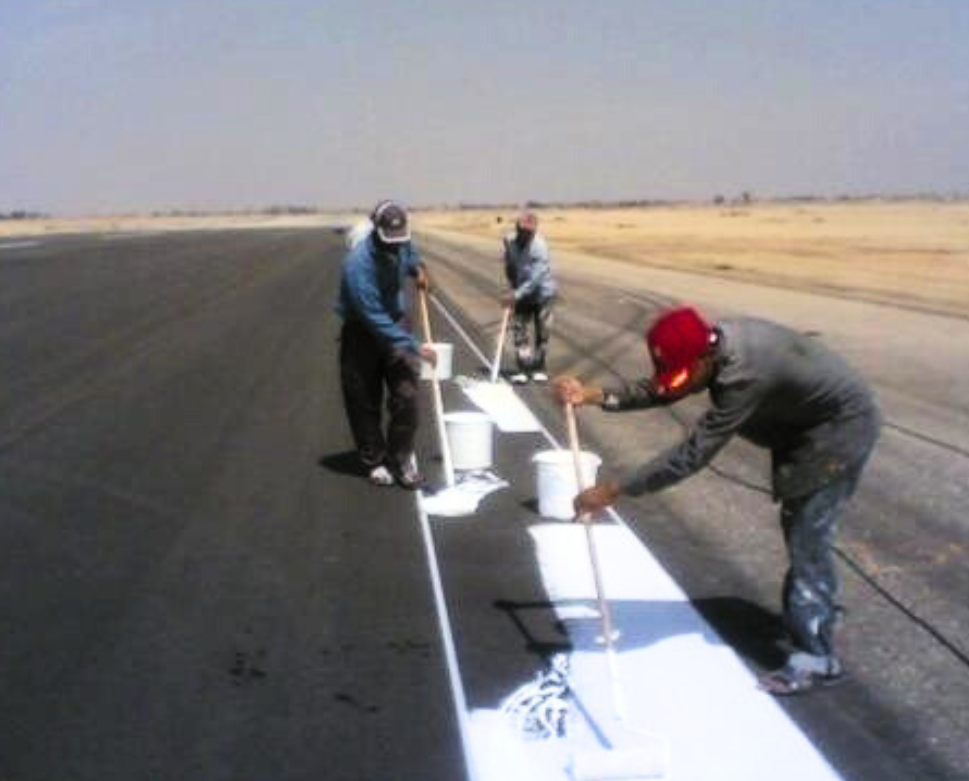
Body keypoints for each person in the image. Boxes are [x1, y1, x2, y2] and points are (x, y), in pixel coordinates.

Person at [553, 307, 881, 695]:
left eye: (683, 373)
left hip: (839, 432)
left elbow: (692, 456)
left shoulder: (745, 375)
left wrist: (614, 490)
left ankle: (818, 659)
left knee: (807, 535)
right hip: (803, 427)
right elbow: (665, 387)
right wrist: (597, 395)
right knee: (802, 529)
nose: (678, 384)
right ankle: (815, 611)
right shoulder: (710, 347)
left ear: (705, 358)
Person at [336, 200, 435, 489]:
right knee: (363, 399)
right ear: (376, 231)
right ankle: (375, 461)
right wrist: (414, 346)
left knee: (408, 396)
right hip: (363, 329)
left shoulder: (402, 242)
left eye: (399, 240)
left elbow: (412, 256)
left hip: (396, 321)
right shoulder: (357, 265)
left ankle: (400, 457)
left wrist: (419, 270)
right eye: (389, 240)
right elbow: (373, 317)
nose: (395, 246)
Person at [502, 211, 557, 384]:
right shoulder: (509, 241)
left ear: (534, 231)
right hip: (522, 290)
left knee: (543, 331)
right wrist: (512, 284)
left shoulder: (540, 247)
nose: (524, 234)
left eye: (528, 232)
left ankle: (539, 368)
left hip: (542, 293)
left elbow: (536, 279)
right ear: (517, 228)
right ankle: (524, 368)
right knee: (519, 329)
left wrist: (516, 294)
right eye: (521, 230)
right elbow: (510, 263)